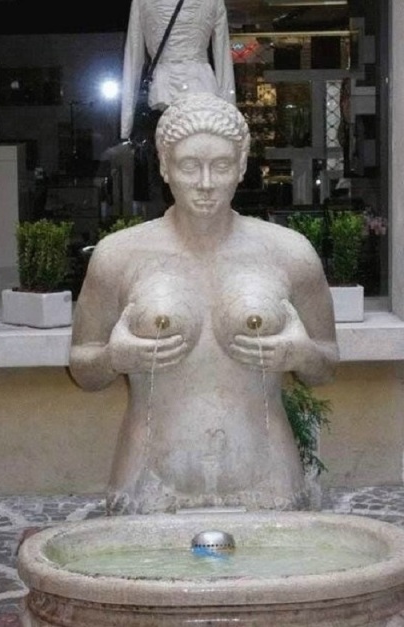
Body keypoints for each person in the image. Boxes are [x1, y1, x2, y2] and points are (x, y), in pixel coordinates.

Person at [70, 92, 339, 515]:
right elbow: (84, 369)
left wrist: (300, 354)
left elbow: (325, 365)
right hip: (149, 482)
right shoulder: (119, 256)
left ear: (242, 166)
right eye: (189, 166)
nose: (206, 182)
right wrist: (113, 358)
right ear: (165, 166)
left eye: (222, 165)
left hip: (269, 478)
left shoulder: (289, 253)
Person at [120, 0, 236, 141]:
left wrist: (126, 125)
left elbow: (133, 57)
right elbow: (223, 57)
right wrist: (231, 120)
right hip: (202, 86)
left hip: (163, 92)